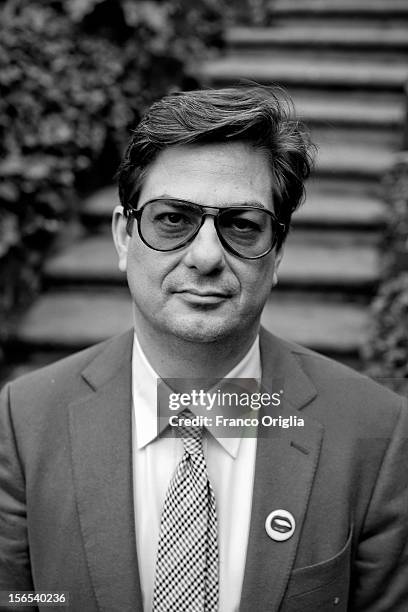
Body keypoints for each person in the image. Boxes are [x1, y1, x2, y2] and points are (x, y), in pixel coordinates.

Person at [1, 86, 407, 612]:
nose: (206, 255)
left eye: (241, 225)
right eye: (173, 219)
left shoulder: (376, 433)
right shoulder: (22, 422)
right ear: (125, 236)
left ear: (277, 252)